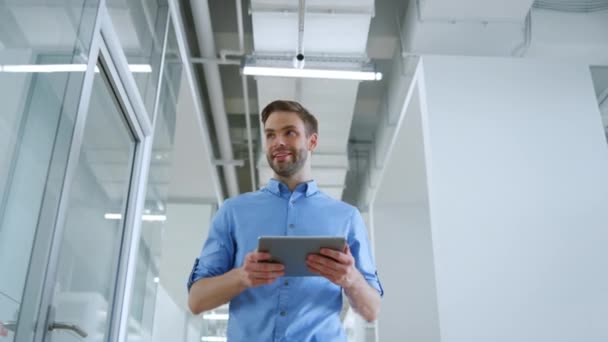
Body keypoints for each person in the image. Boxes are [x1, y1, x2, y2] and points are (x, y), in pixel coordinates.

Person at [187, 100, 383, 341]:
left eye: (289, 132)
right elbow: (196, 300)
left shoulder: (346, 217)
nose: (278, 142)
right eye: (270, 135)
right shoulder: (233, 212)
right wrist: (242, 276)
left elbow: (372, 310)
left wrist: (351, 279)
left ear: (312, 141)